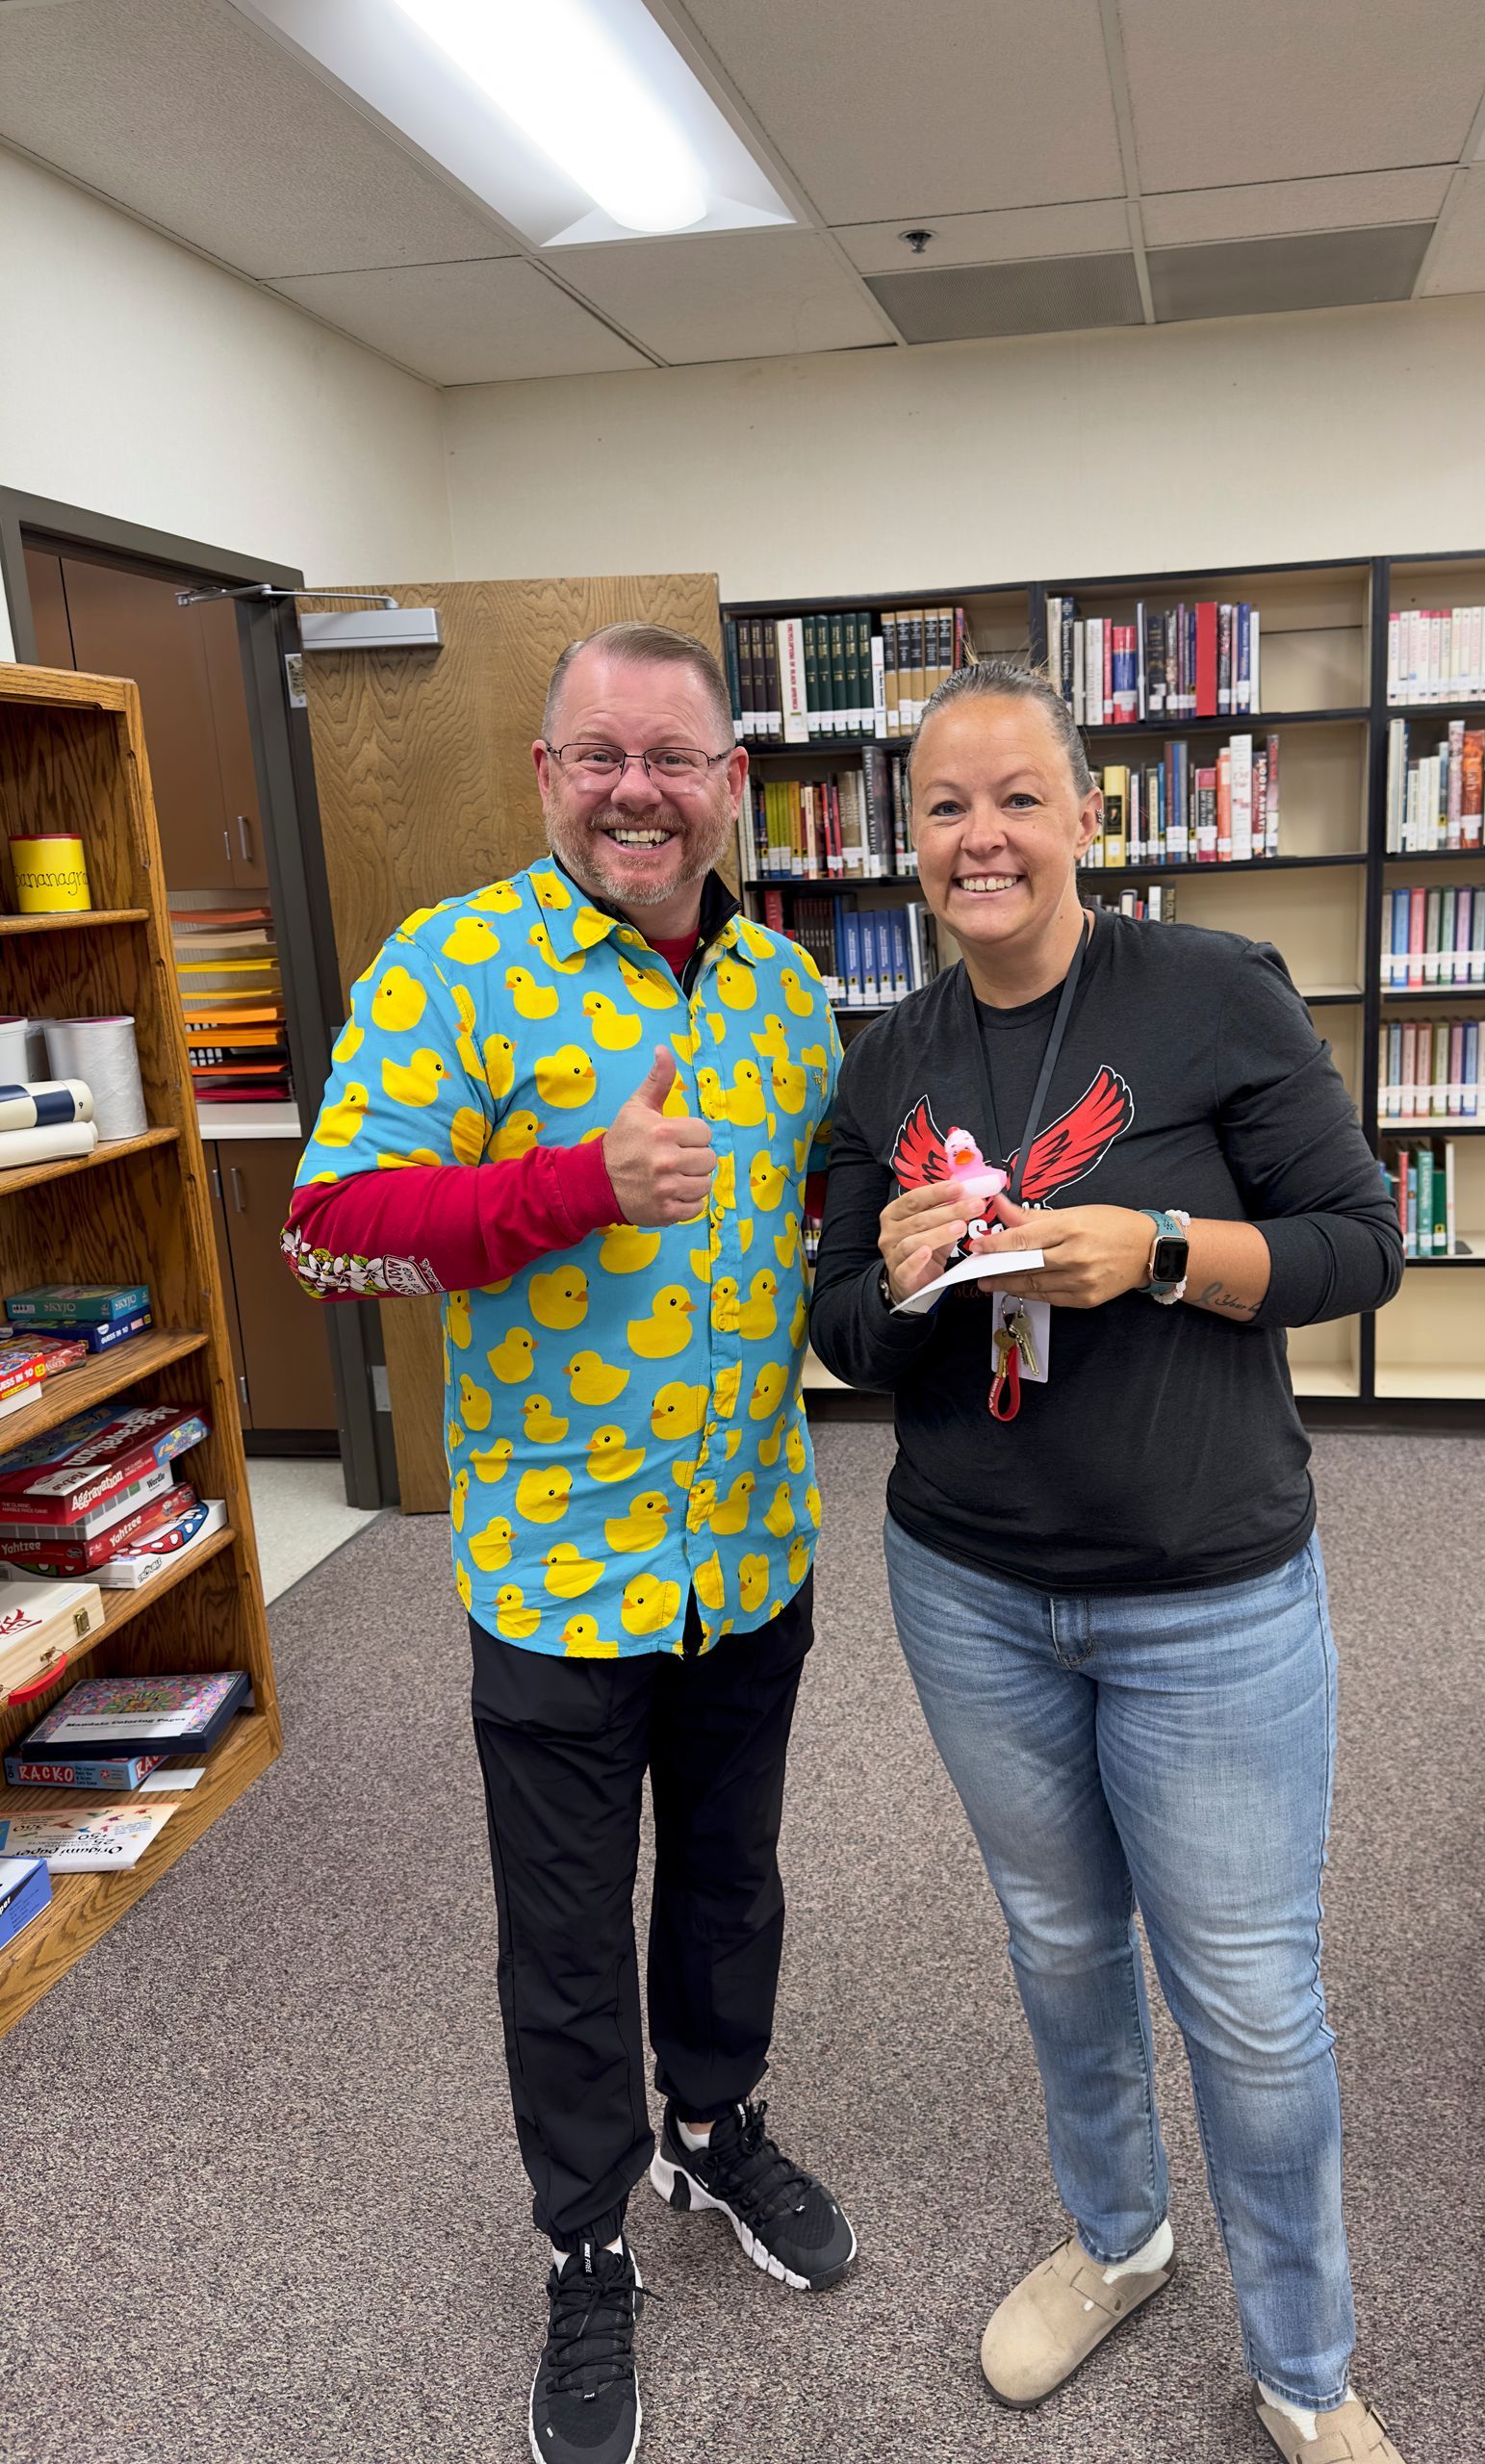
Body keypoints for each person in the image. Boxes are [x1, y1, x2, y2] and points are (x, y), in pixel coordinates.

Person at [808, 660, 1407, 2464]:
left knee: (1246, 1995)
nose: (979, 836)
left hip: (1207, 1596)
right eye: (940, 807)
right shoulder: (885, 1061)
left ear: (1087, 817)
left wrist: (1155, 1246)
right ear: (904, 843)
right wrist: (909, 1279)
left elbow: (1359, 1246)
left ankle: (1307, 2371)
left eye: (1014, 798)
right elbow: (843, 1332)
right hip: (971, 1588)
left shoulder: (1213, 992)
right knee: (1063, 1942)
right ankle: (1121, 2239)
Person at [285, 621, 853, 2464]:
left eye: (674, 758)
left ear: (728, 789)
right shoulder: (454, 970)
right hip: (555, 1573)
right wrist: (565, 1188)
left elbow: (826, 1247)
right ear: (545, 775)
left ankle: (716, 2127)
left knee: (731, 1885)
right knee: (561, 1933)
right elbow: (332, 1232)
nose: (637, 790)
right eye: (600, 754)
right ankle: (587, 2236)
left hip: (749, 1552)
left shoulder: (789, 1001)